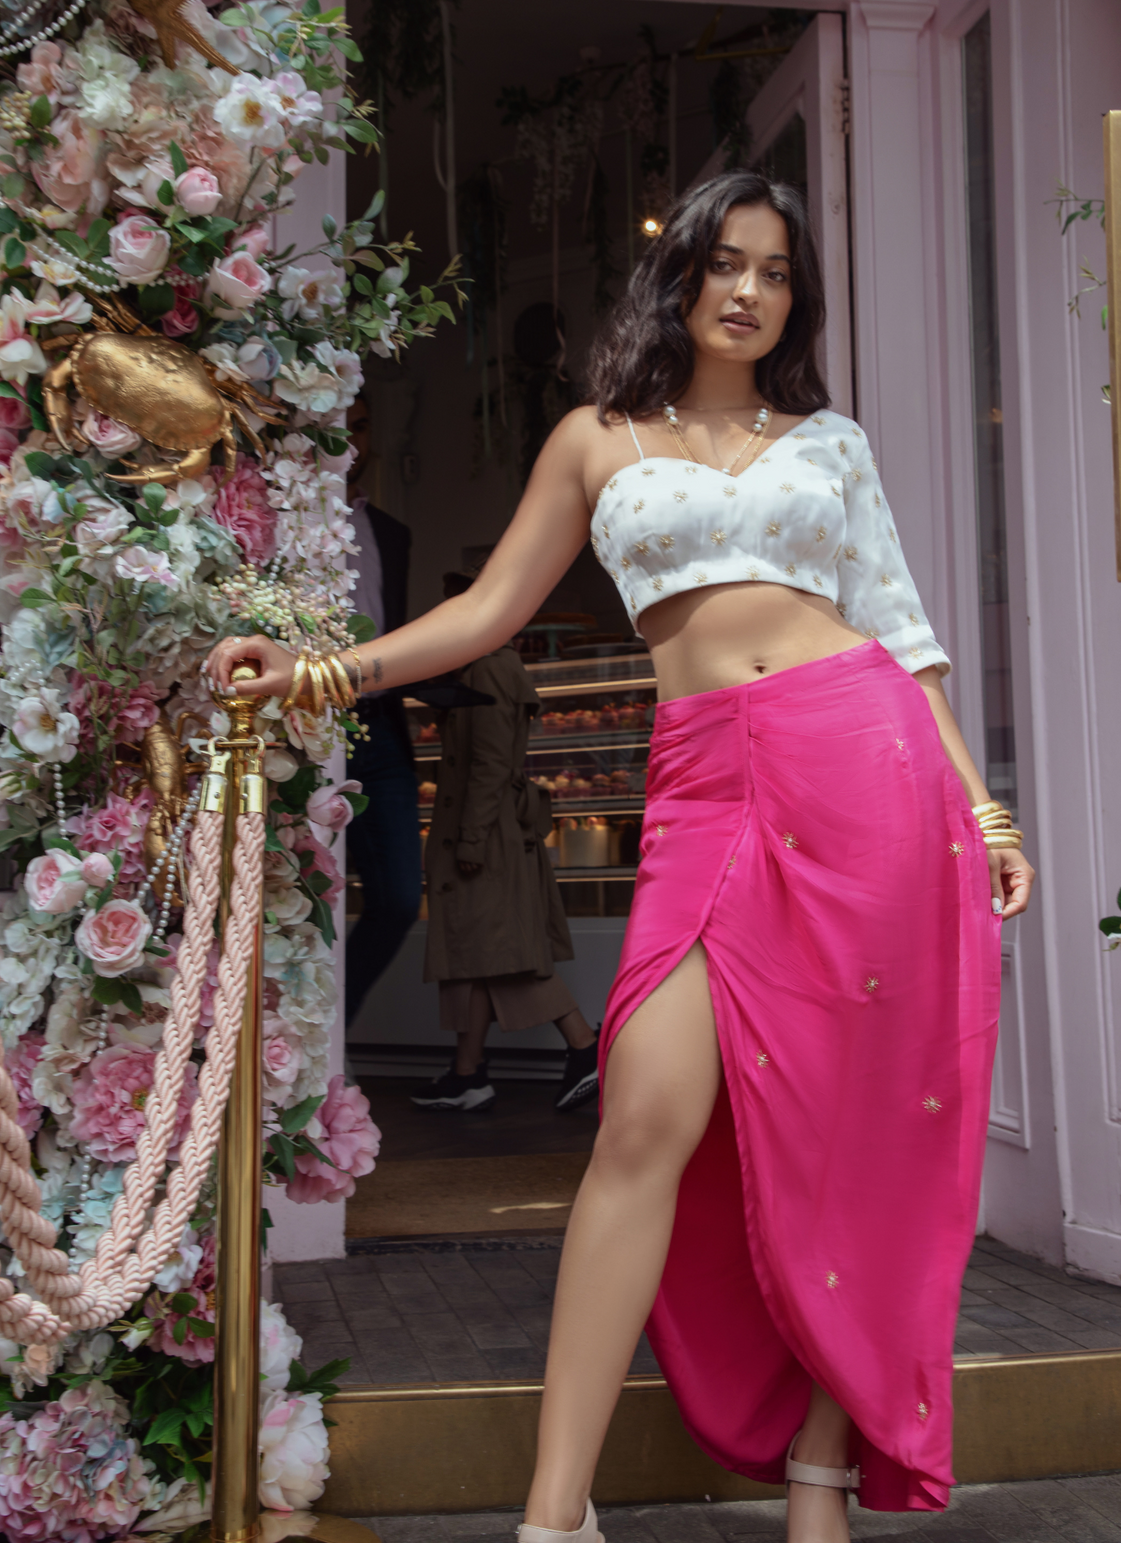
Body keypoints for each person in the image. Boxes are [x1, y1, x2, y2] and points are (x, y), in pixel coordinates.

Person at [207, 170, 1033, 1543]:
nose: (748, 291)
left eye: (774, 271)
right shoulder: (597, 438)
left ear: (794, 296)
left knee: (863, 1128)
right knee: (644, 1114)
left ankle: (822, 1472)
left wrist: (985, 806)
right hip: (709, 781)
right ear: (680, 277)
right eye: (725, 262)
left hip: (868, 764)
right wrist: (317, 673)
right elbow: (484, 610)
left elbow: (906, 634)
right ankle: (555, 1508)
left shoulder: (831, 440)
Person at [411, 569, 600, 1115]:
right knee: (475, 957)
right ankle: (467, 1073)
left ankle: (585, 1049)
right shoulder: (480, 668)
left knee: (504, 958)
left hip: (486, 837)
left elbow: (491, 766)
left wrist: (470, 839)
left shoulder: (491, 671)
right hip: (482, 833)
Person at [342, 394, 422, 1028]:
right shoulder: (280, 527)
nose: (350, 441)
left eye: (362, 426)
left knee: (398, 898)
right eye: (337, 425)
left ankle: (333, 1028)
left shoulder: (393, 533)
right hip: (308, 730)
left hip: (383, 727)